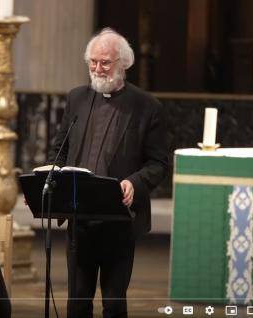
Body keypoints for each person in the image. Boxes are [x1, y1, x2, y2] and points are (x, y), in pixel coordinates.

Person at [48, 28, 168, 318]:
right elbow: (59, 151)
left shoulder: (146, 106)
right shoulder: (77, 98)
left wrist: (134, 182)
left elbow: (159, 163)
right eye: (93, 61)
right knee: (77, 303)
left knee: (113, 304)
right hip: (80, 219)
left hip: (119, 221)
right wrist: (49, 180)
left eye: (105, 62)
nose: (98, 69)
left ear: (123, 64)